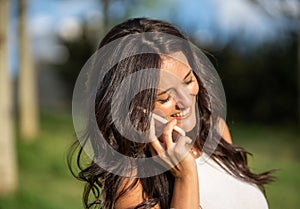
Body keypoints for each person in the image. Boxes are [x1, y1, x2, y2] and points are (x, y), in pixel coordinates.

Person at [68, 18, 274, 209]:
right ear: (132, 107)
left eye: (188, 81)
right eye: (165, 98)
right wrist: (185, 177)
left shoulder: (215, 130)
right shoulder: (130, 184)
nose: (185, 101)